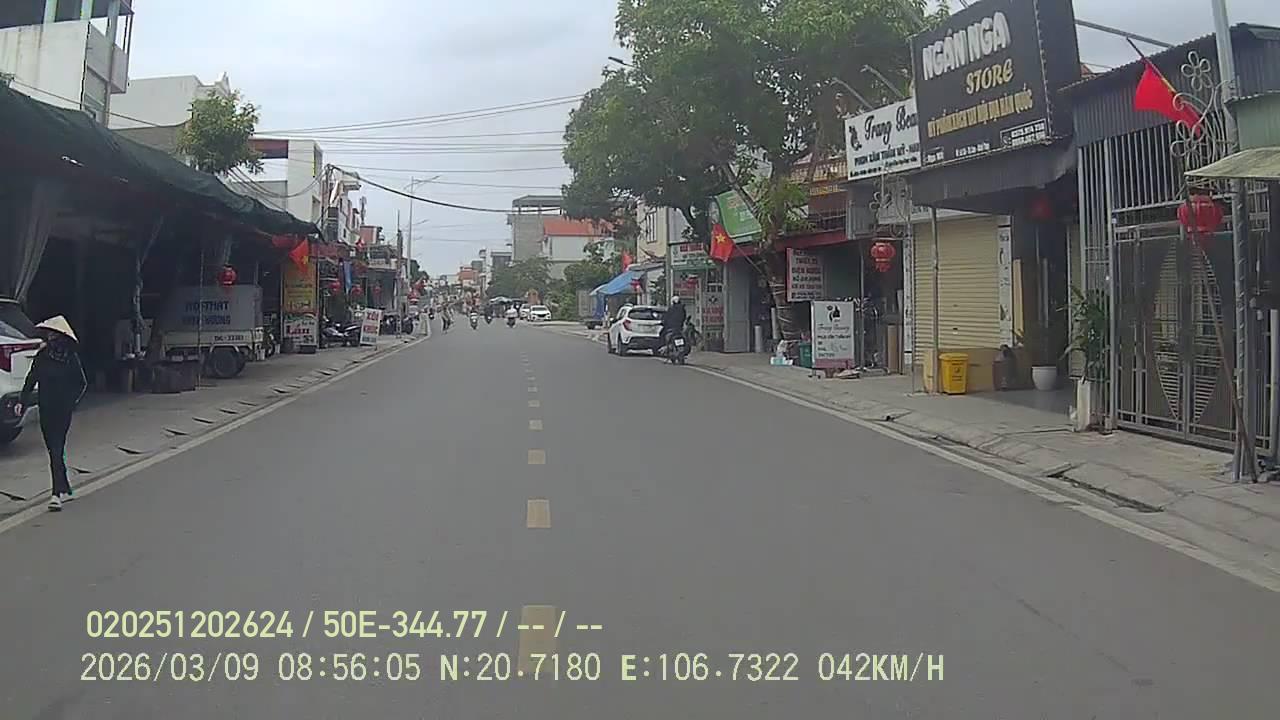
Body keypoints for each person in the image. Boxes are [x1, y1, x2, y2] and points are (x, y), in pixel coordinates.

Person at [16, 316, 87, 512]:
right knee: (52, 450)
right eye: (49, 334)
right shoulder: (42, 356)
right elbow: (31, 378)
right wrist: (22, 401)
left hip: (63, 410)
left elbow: (81, 383)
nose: (50, 337)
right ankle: (65, 487)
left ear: (61, 336)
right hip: (45, 408)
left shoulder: (71, 358)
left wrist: (72, 402)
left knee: (57, 448)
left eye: (53, 334)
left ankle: (56, 494)